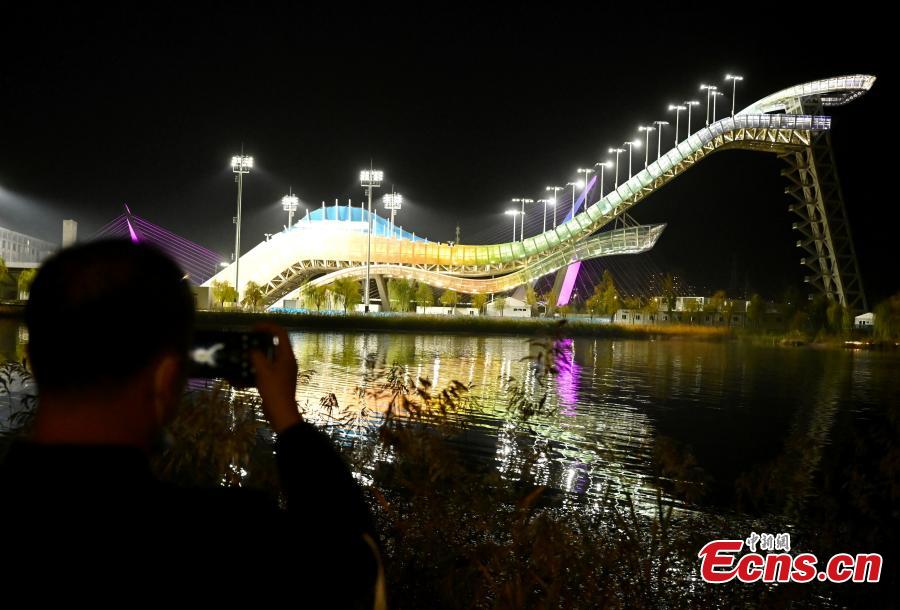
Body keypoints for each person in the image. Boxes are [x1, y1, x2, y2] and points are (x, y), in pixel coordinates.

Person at [0, 240, 384, 608]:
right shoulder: (230, 541)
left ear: (32, 359)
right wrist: (289, 421)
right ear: (166, 379)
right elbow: (357, 565)